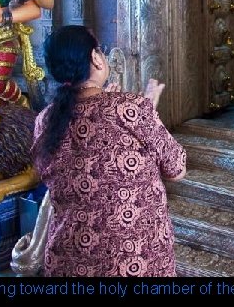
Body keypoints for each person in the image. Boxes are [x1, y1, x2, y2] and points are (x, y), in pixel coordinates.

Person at [31, 25, 186, 277]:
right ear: (95, 57)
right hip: (132, 260)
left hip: (69, 257)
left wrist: (138, 114)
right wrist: (145, 113)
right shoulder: (129, 109)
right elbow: (176, 168)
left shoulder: (45, 120)